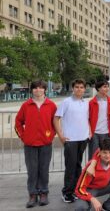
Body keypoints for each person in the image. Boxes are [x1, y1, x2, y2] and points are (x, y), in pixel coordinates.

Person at [15, 80, 57, 208]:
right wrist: (24, 136)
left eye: (40, 88)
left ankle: (43, 193)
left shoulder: (51, 105)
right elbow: (18, 122)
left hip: (45, 143)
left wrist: (51, 135)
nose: (38, 90)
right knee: (32, 171)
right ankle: (32, 194)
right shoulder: (26, 105)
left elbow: (56, 122)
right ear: (32, 90)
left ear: (45, 90)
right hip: (30, 144)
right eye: (35, 88)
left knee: (44, 170)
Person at [54, 79, 90, 203]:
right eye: (77, 87)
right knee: (70, 167)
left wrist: (89, 132)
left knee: (78, 166)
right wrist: (60, 135)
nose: (79, 89)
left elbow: (86, 119)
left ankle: (75, 190)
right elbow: (56, 119)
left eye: (81, 87)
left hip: (83, 139)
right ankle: (67, 192)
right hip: (71, 140)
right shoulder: (66, 102)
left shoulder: (86, 103)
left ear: (84, 89)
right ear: (73, 88)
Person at [74, 138, 110, 211]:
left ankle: (108, 207)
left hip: (105, 186)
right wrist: (93, 199)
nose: (108, 156)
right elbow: (79, 189)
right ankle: (87, 205)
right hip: (90, 190)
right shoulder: (91, 167)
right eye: (104, 152)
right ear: (99, 151)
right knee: (81, 207)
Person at [88, 80, 110, 158]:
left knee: (106, 155)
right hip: (94, 133)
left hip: (106, 132)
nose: (107, 89)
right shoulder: (91, 102)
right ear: (98, 88)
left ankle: (103, 170)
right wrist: (90, 131)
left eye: (107, 86)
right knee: (93, 155)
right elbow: (88, 118)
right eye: (104, 87)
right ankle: (91, 169)